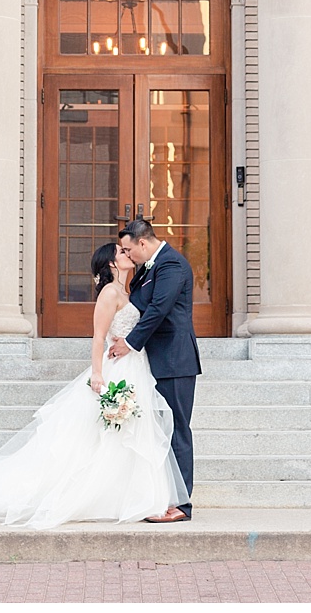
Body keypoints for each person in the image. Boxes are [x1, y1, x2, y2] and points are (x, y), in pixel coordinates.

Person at [0, 241, 188, 529]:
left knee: (132, 433)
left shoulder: (130, 289)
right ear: (111, 264)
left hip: (137, 366)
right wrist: (97, 374)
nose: (127, 254)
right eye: (121, 253)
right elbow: (99, 337)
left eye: (127, 250)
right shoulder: (110, 293)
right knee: (108, 434)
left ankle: (128, 496)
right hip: (117, 368)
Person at [108, 218, 201, 523]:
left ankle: (181, 505)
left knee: (177, 432)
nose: (127, 254)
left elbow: (159, 309)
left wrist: (130, 344)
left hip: (175, 361)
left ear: (143, 244)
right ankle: (160, 497)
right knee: (159, 433)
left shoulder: (172, 265)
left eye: (128, 248)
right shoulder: (149, 269)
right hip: (154, 361)